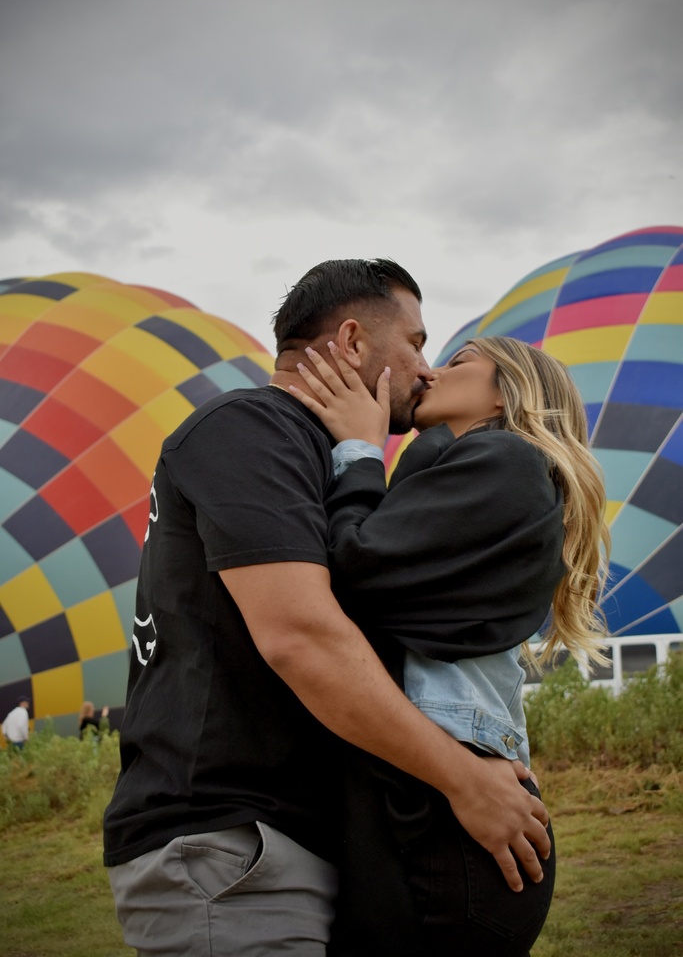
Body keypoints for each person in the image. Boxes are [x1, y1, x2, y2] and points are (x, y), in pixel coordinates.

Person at [103, 261, 551, 957]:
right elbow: (302, 636)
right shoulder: (252, 426)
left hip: (289, 843)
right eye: (416, 344)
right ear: (351, 341)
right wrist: (465, 779)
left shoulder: (327, 459)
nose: (426, 370)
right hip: (229, 837)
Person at [289, 335, 609, 956]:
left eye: (459, 362)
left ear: (507, 393)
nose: (431, 371)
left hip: (447, 830)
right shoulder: (487, 477)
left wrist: (359, 451)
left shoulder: (507, 458)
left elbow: (355, 570)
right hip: (448, 821)